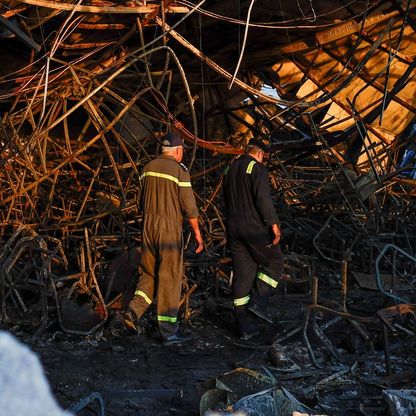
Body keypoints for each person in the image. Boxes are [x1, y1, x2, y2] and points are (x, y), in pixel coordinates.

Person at [123, 131, 204, 345]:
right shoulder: (180, 171)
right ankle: (168, 330)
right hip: (168, 229)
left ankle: (133, 312)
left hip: (148, 228)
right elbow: (189, 207)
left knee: (149, 273)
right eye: (182, 151)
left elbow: (140, 202)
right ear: (177, 151)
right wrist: (197, 233)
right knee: (170, 276)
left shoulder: (147, 168)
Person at [223, 138, 283, 340]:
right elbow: (262, 198)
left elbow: (226, 196)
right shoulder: (256, 168)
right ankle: (257, 303)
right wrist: (273, 223)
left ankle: (244, 326)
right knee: (274, 262)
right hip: (254, 229)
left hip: (233, 229)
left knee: (243, 275)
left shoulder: (230, 168)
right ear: (259, 154)